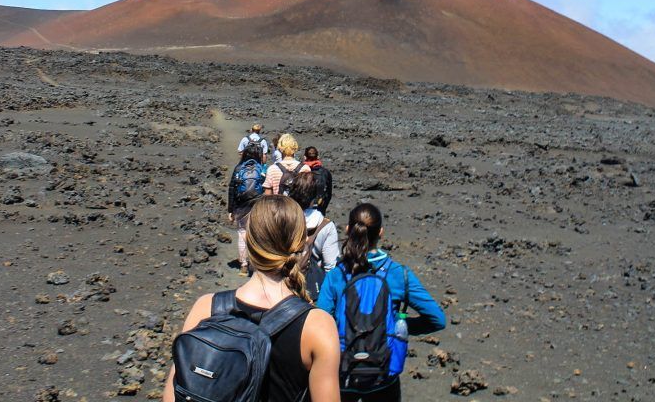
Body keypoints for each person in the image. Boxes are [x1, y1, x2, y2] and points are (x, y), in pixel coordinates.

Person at [163, 196, 342, 402]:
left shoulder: (206, 308)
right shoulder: (318, 326)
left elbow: (172, 394)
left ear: (249, 240)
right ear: (301, 243)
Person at [316, 203, 446, 402]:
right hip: (383, 376)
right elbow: (437, 319)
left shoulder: (336, 275)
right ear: (381, 233)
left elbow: (321, 323)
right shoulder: (398, 274)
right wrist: (392, 326)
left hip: (344, 374)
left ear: (349, 230)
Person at [289, 172, 339, 301]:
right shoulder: (326, 226)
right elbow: (330, 267)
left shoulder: (283, 219)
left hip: (284, 286)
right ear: (315, 197)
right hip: (312, 290)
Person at [228, 153, 268, 276]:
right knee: (256, 234)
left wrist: (231, 209)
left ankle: (244, 265)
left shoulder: (239, 168)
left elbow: (232, 188)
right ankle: (255, 264)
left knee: (242, 234)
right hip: (258, 204)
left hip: (241, 205)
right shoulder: (262, 168)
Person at [303, 146, 333, 214]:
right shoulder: (326, 172)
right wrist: (323, 208)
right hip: (320, 207)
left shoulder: (302, 171)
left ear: (305, 157)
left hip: (304, 208)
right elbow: (329, 194)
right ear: (318, 157)